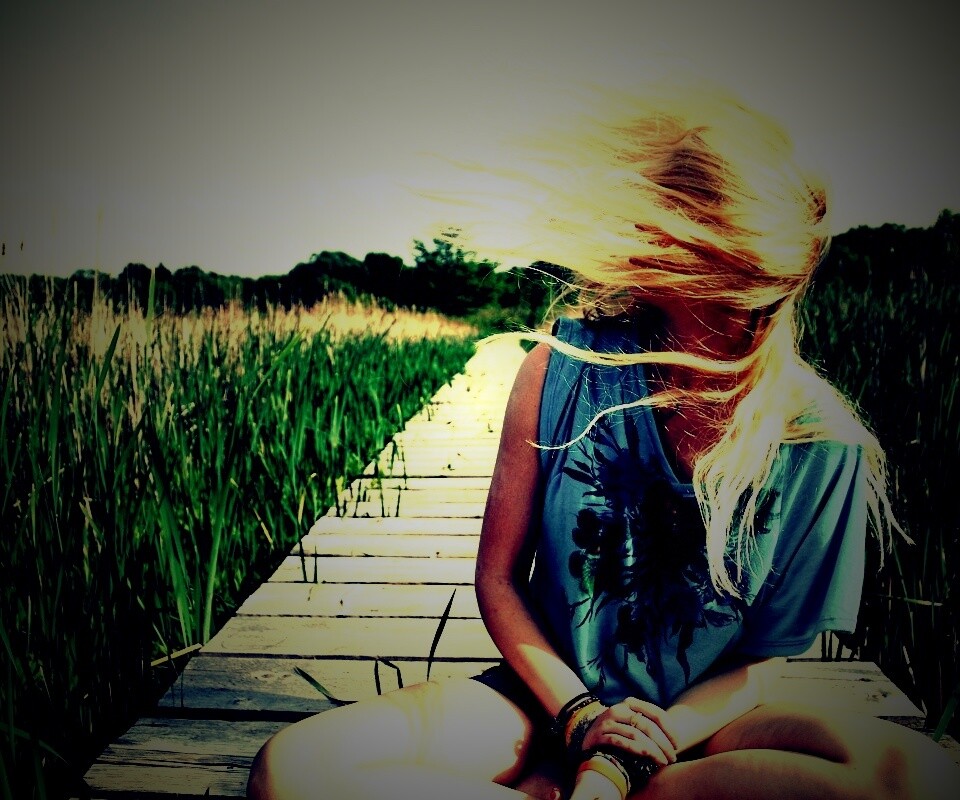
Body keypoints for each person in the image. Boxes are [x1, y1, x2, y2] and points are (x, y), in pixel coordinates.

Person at [247, 82, 959, 799]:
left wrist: (631, 756)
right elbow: (499, 582)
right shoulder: (561, 370)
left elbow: (764, 659)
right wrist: (584, 718)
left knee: (919, 777)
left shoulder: (822, 442)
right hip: (545, 702)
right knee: (292, 771)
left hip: (702, 726)